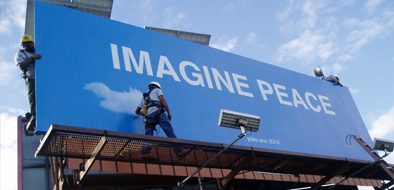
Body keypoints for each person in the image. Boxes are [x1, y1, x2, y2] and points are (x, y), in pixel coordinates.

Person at [135, 81, 189, 159]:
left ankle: (145, 153)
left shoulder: (144, 96)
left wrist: (145, 114)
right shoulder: (157, 90)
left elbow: (137, 111)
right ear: (157, 86)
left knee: (148, 136)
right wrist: (169, 113)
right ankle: (179, 151)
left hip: (149, 117)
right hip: (158, 113)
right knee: (168, 130)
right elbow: (163, 101)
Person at [15, 34, 41, 125]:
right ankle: (34, 114)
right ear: (22, 45)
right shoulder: (21, 53)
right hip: (31, 78)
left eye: (29, 43)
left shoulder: (38, 50)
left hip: (42, 78)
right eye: (25, 44)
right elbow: (22, 66)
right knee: (32, 96)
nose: (28, 45)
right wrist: (32, 58)